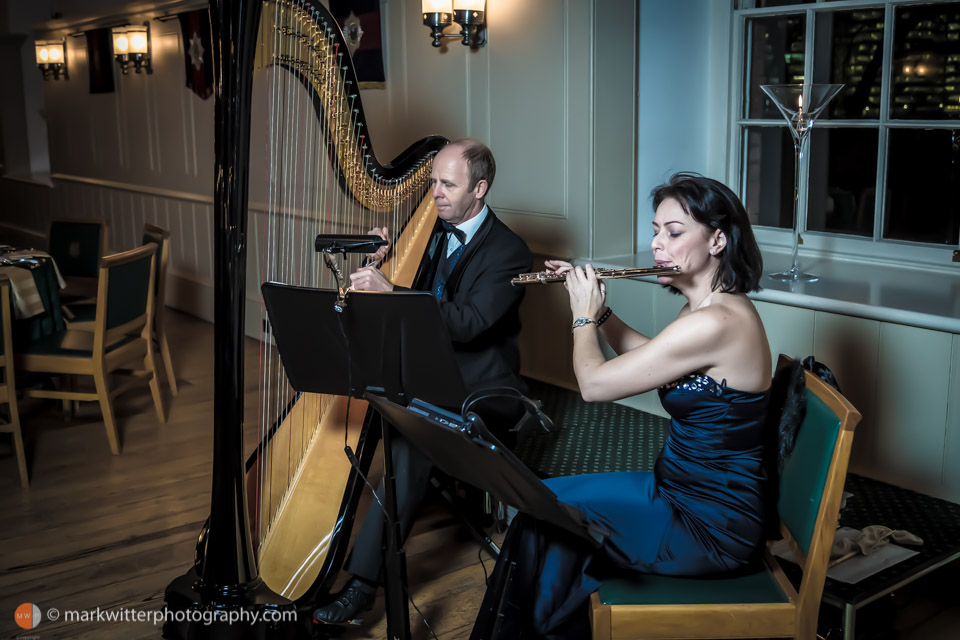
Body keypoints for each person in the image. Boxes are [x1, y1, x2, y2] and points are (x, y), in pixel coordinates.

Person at [470, 172, 772, 639]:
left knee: (547, 517)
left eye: (674, 232)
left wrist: (583, 314)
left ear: (717, 239)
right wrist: (604, 312)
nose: (657, 244)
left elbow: (592, 385)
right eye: (655, 231)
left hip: (709, 524)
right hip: (677, 491)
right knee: (547, 505)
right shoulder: (704, 310)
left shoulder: (718, 322)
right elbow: (653, 358)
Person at [313, 138, 533, 624]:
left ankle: (363, 584)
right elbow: (413, 298)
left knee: (412, 435)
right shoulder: (432, 229)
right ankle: (315, 542)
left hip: (483, 386)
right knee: (363, 395)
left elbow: (469, 321)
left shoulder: (510, 251)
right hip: (427, 370)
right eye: (432, 181)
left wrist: (393, 291)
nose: (433, 192)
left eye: (446, 184)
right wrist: (384, 262)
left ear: (480, 188)